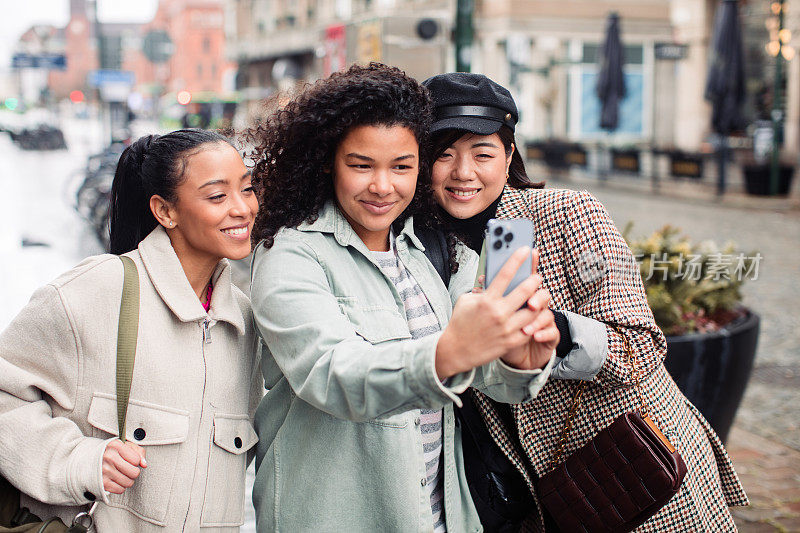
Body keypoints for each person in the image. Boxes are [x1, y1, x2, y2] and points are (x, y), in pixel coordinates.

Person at [422, 72, 748, 531]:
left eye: (482, 153)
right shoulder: (420, 247)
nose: (463, 173)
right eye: (443, 155)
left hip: (635, 469)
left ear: (509, 153)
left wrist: (554, 334)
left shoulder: (568, 214)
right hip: (540, 495)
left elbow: (641, 350)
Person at [245, 63, 560, 532]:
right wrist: (447, 353)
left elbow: (485, 377)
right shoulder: (290, 254)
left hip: (438, 517)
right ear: (328, 161)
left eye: (402, 166)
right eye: (361, 165)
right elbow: (333, 374)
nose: (382, 186)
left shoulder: (431, 248)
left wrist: (519, 359)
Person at [0, 129, 263, 531]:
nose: (243, 208)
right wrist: (79, 462)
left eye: (247, 189)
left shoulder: (244, 322)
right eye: (217, 196)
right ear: (165, 211)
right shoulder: (97, 290)